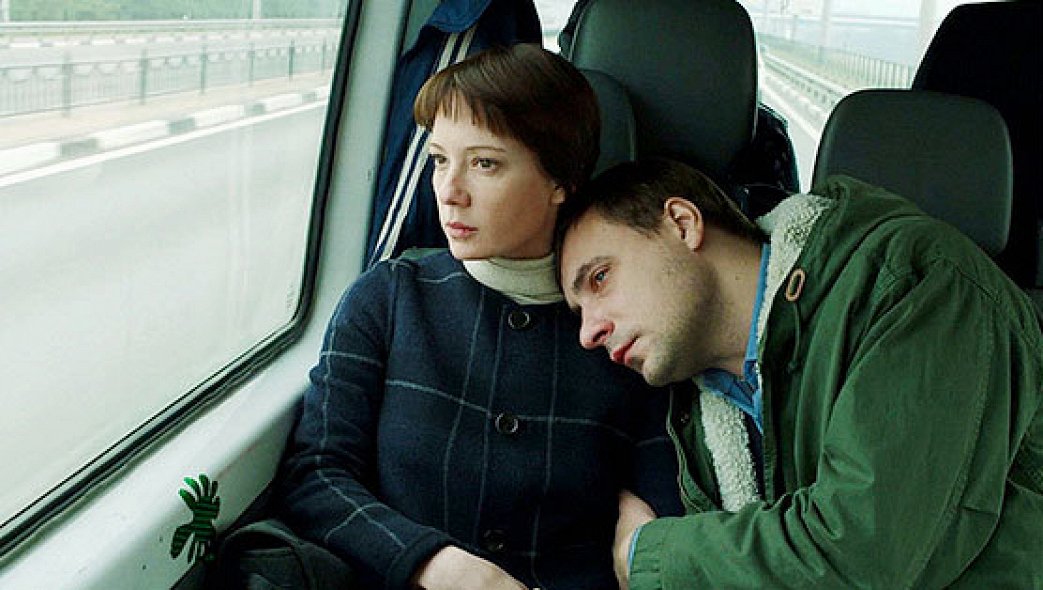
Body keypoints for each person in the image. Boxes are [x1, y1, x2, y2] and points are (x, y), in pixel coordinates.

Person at [277, 45, 682, 590]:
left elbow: (665, 504)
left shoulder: (629, 324)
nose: (449, 192)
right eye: (439, 160)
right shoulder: (388, 299)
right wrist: (435, 565)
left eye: (484, 163)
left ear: (560, 180)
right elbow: (315, 476)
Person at [554, 157, 1043, 588]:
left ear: (683, 224)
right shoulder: (698, 421)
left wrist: (646, 555)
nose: (589, 334)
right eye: (579, 313)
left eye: (600, 278)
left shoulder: (914, 280)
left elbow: (862, 552)